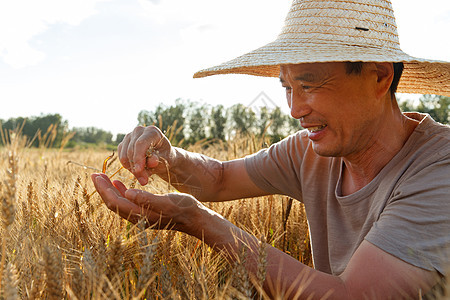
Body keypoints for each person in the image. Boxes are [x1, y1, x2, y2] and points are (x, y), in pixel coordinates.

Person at [92, 0, 450, 298]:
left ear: (379, 76)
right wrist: (166, 157)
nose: (295, 110)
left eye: (309, 85)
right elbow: (218, 178)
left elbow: (349, 296)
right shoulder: (311, 152)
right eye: (287, 88)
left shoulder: (440, 171)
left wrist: (200, 222)